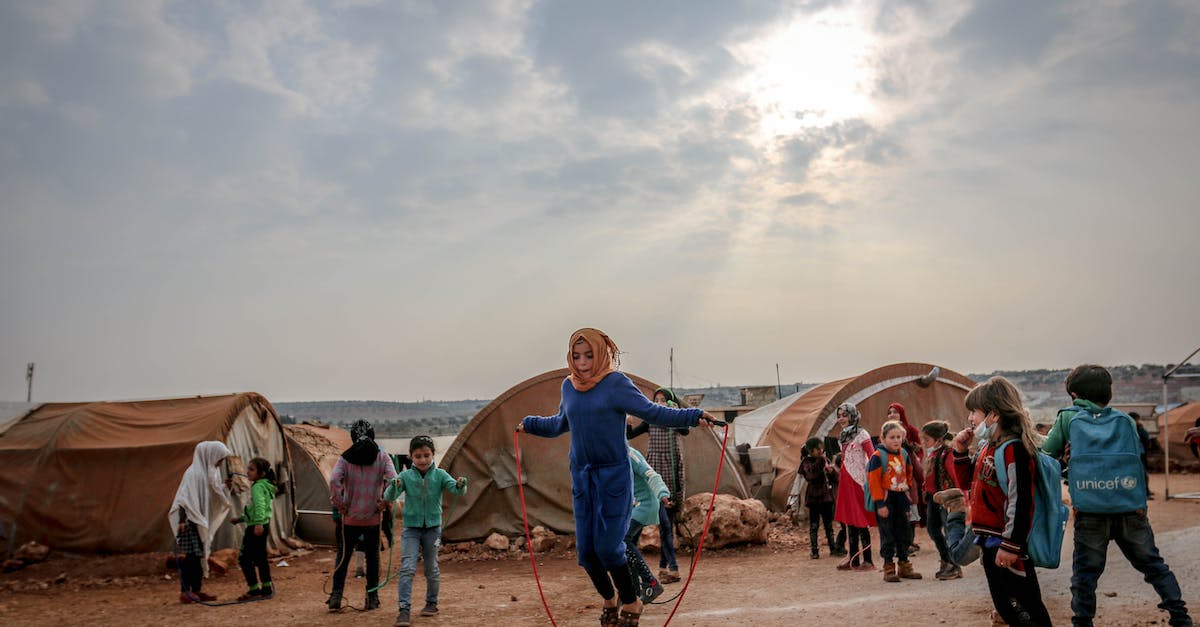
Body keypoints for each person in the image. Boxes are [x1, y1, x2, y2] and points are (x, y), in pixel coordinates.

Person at [516, 328, 721, 627]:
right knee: (587, 554)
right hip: (582, 478)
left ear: (601, 354)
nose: (583, 362)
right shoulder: (569, 387)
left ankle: (632, 600)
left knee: (610, 549)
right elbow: (560, 422)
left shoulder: (615, 384)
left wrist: (692, 415)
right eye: (576, 356)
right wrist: (531, 424)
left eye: (589, 355)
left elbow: (653, 413)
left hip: (613, 476)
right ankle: (609, 599)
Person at [1041, 365, 1192, 627]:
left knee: (1086, 574)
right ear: (1108, 394)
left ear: (1074, 394)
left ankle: (1083, 622)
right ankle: (1180, 616)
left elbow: (1047, 454)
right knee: (1153, 565)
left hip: (1091, 510)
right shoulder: (1126, 421)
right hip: (1130, 507)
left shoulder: (1067, 418)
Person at [949, 377, 1052, 626]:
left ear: (993, 415)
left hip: (1006, 544)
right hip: (989, 541)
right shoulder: (988, 447)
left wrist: (1011, 545)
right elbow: (969, 485)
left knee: (1026, 608)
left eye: (974, 412)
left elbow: (1021, 501)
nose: (971, 418)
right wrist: (961, 451)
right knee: (1006, 606)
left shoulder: (1012, 450)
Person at [384, 435, 468, 627]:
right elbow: (389, 496)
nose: (422, 460)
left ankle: (432, 603)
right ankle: (404, 610)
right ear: (411, 457)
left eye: (426, 455)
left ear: (432, 455)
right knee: (407, 568)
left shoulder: (440, 474)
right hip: (411, 529)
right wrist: (393, 486)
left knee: (431, 567)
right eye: (418, 456)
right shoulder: (404, 476)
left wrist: (461, 484)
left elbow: (456, 490)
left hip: (433, 529)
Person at [328, 419, 398, 612]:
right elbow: (395, 480)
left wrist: (339, 504)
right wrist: (385, 501)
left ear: (352, 437)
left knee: (343, 556)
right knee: (372, 557)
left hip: (350, 518)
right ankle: (372, 597)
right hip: (372, 518)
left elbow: (334, 479)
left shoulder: (345, 458)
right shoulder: (382, 456)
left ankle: (336, 597)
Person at [625, 387, 689, 584]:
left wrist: (676, 412)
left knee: (666, 527)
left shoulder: (673, 423)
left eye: (663, 400)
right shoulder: (650, 422)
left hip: (670, 476)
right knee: (661, 527)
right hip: (653, 474)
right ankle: (662, 569)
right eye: (656, 399)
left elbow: (686, 429)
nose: (659, 402)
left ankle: (670, 569)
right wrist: (628, 424)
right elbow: (629, 437)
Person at [169, 441, 233, 604]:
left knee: (199, 557)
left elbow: (210, 495)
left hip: (199, 522)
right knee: (191, 558)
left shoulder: (209, 473)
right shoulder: (193, 474)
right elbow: (183, 499)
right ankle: (185, 591)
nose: (220, 462)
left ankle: (197, 590)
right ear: (210, 456)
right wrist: (182, 520)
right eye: (219, 459)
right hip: (190, 522)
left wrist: (224, 487)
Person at [868, 420, 921, 582]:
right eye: (892, 437)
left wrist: (908, 499)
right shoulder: (878, 457)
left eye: (898, 437)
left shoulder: (904, 454)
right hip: (885, 498)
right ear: (882, 439)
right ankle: (888, 566)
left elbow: (909, 475)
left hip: (901, 497)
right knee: (887, 533)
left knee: (904, 532)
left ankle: (904, 565)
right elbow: (873, 481)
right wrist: (880, 504)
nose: (896, 440)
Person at [832, 402, 876, 571]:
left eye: (844, 415)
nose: (841, 419)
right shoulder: (843, 435)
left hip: (858, 480)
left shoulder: (862, 434)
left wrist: (874, 478)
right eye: (839, 416)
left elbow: (872, 456)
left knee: (860, 519)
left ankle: (868, 560)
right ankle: (854, 558)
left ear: (852, 415)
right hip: (845, 479)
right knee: (850, 519)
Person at [623, 446, 668, 604]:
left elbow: (650, 474)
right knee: (626, 548)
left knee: (623, 541)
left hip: (646, 504)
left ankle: (651, 582)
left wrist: (662, 492)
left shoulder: (629, 453)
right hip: (634, 506)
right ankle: (633, 592)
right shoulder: (612, 454)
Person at [233, 457, 278, 601]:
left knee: (244, 558)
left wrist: (257, 523)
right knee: (260, 558)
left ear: (262, 473)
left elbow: (259, 506)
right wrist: (241, 519)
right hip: (262, 525)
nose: (248, 472)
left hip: (256, 527)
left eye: (252, 469)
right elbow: (257, 509)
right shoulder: (265, 485)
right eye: (248, 469)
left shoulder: (258, 486)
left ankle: (253, 589)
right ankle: (266, 587)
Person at [921, 420, 962, 580]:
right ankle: (946, 559)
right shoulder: (933, 453)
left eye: (927, 439)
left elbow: (955, 476)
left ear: (938, 439)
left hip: (946, 499)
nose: (924, 442)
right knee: (933, 529)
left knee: (949, 530)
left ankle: (953, 564)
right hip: (933, 499)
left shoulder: (948, 454)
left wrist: (956, 499)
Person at [798, 437, 838, 559]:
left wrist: (831, 472)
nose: (820, 451)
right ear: (810, 450)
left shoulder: (824, 460)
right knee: (814, 525)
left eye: (821, 448)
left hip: (826, 497)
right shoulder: (806, 462)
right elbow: (811, 475)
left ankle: (833, 548)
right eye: (817, 449)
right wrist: (821, 462)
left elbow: (835, 477)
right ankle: (814, 550)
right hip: (814, 498)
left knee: (828, 525)